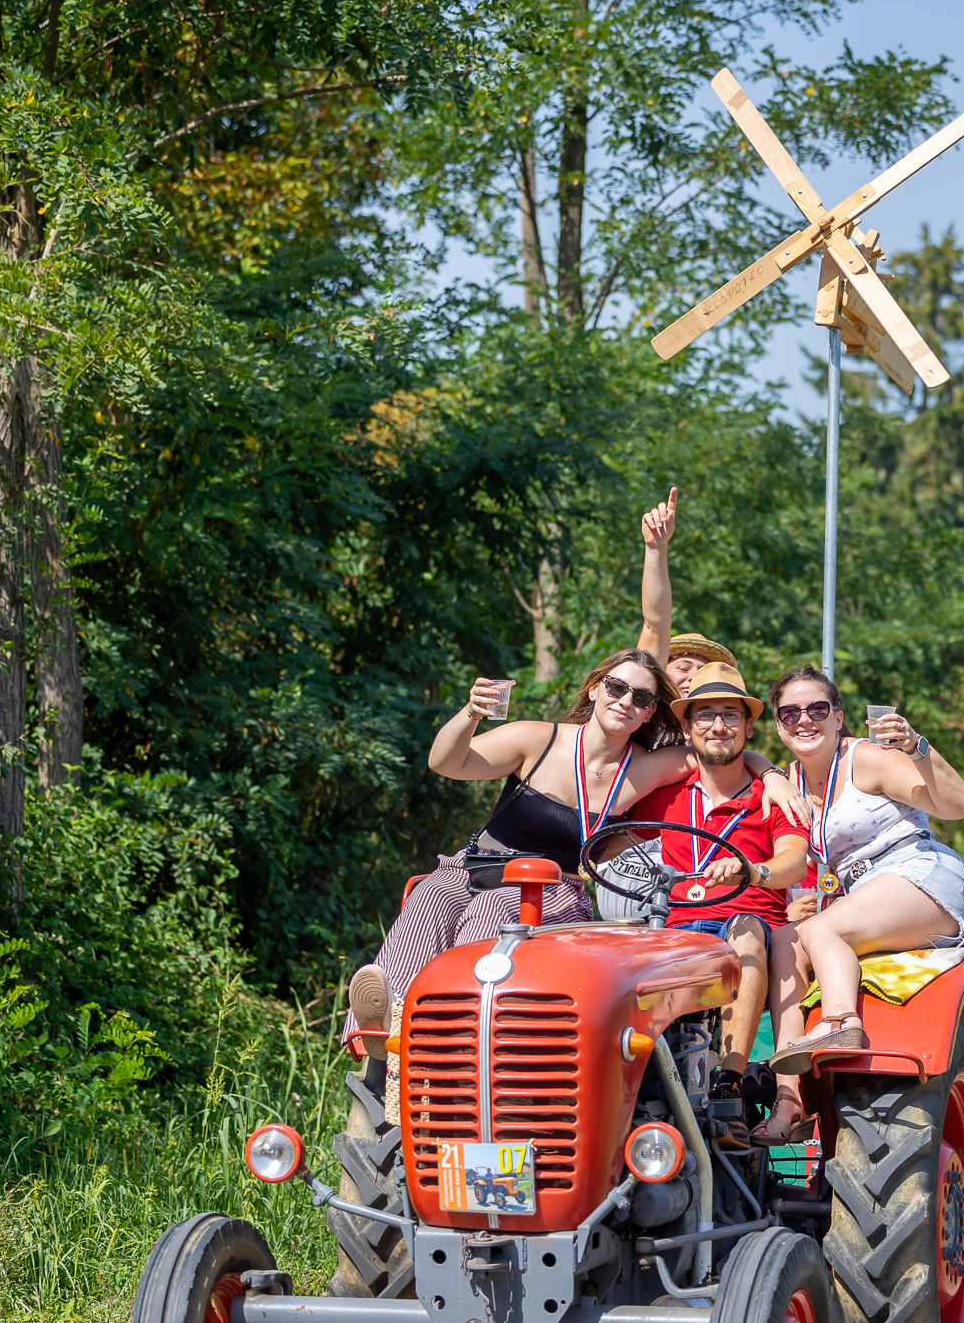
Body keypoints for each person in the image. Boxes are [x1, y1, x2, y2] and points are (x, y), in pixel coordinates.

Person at [344, 646, 807, 1052]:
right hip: (475, 865)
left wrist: (771, 773)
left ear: (650, 713)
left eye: (641, 698)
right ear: (594, 689)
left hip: (551, 885)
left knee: (494, 916)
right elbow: (445, 763)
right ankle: (384, 1030)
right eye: (616, 688)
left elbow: (721, 750)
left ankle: (457, 1034)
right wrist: (470, 713)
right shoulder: (539, 739)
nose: (625, 701)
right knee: (429, 898)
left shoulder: (651, 768)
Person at [757, 668, 964, 1140]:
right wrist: (766, 771)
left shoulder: (866, 758)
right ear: (778, 725)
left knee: (823, 929)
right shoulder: (788, 779)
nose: (804, 720)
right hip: (860, 892)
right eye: (790, 713)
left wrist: (918, 747)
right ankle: (789, 1098)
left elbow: (958, 807)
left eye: (817, 709)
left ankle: (841, 1020)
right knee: (783, 942)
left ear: (838, 717)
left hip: (919, 872)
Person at [622, 663, 808, 1149]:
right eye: (705, 715)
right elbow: (605, 833)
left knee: (745, 930)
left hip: (746, 924)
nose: (718, 726)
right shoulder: (663, 792)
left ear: (749, 728)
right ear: (687, 728)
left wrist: (754, 870)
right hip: (675, 929)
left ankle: (729, 1088)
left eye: (731, 715)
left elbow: (793, 860)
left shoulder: (771, 795)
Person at [631, 485, 741, 697]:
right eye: (683, 668)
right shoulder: (643, 711)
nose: (692, 677)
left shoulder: (722, 718)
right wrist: (656, 547)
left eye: (703, 672)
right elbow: (656, 625)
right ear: (660, 672)